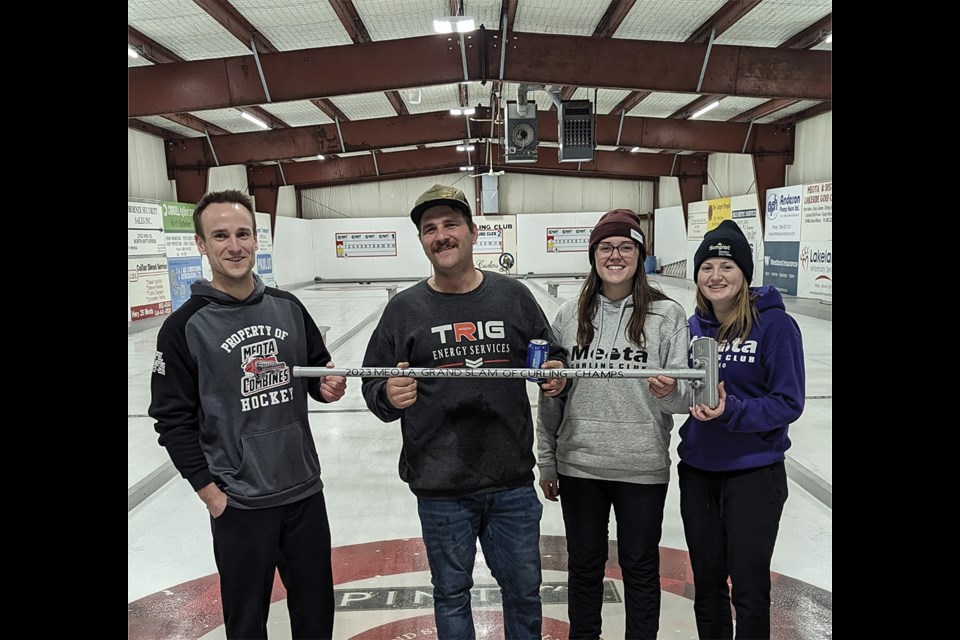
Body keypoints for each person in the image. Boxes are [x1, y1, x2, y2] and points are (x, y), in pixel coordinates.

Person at [360, 184, 568, 639]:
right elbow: (372, 382)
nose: (441, 236)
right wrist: (387, 395)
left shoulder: (512, 296)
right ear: (422, 241)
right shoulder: (404, 309)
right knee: (451, 595)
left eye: (450, 224)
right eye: (429, 229)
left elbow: (552, 355)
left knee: (524, 594)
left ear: (473, 232)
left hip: (510, 480)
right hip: (440, 485)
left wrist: (556, 372)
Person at [148, 189, 347, 640]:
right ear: (201, 244)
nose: (233, 246)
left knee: (316, 613)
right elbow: (171, 420)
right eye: (220, 236)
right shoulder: (184, 328)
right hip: (239, 501)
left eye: (242, 233)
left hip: (302, 492)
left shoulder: (289, 308)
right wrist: (211, 493)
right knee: (245, 622)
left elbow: (317, 371)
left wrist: (326, 386)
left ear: (257, 240)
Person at [536, 209, 692, 640]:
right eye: (606, 247)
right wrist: (547, 460)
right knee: (583, 569)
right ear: (593, 256)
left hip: (640, 464)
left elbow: (683, 397)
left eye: (626, 246)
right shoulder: (570, 315)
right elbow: (551, 394)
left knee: (641, 570)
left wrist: (670, 393)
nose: (616, 255)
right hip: (579, 464)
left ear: (641, 255)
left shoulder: (668, 315)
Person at [659, 219, 805, 639]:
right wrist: (671, 388)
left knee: (749, 589)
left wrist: (731, 410)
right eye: (707, 266)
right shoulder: (692, 327)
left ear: (744, 273)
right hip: (699, 471)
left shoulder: (775, 327)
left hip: (753, 474)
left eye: (727, 266)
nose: (716, 276)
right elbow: (688, 392)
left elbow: (788, 402)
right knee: (706, 586)